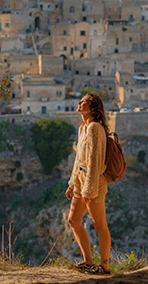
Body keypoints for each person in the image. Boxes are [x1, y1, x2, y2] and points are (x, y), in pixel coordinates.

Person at [65, 92, 111, 275]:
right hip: (80, 180)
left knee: (100, 225)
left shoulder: (95, 128)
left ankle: (104, 267)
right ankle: (89, 262)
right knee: (73, 220)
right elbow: (79, 160)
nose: (79, 102)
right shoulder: (82, 128)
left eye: (83, 101)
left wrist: (88, 190)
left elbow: (94, 162)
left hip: (94, 183)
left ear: (92, 107)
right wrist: (72, 183)